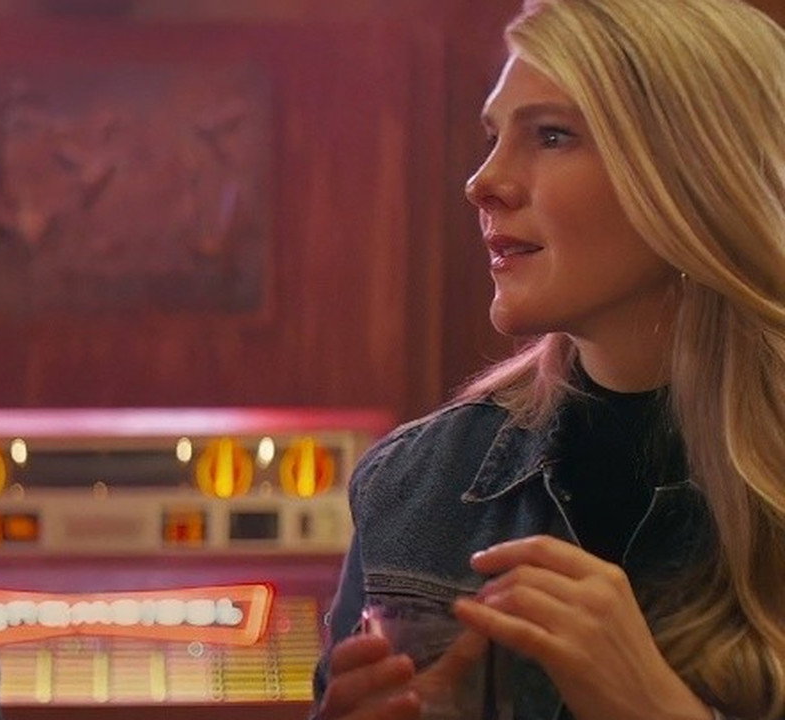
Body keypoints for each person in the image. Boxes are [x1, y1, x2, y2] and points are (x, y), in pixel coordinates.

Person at [312, 0, 785, 718]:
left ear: (695, 175)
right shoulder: (415, 484)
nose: (482, 182)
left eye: (553, 135)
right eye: (494, 137)